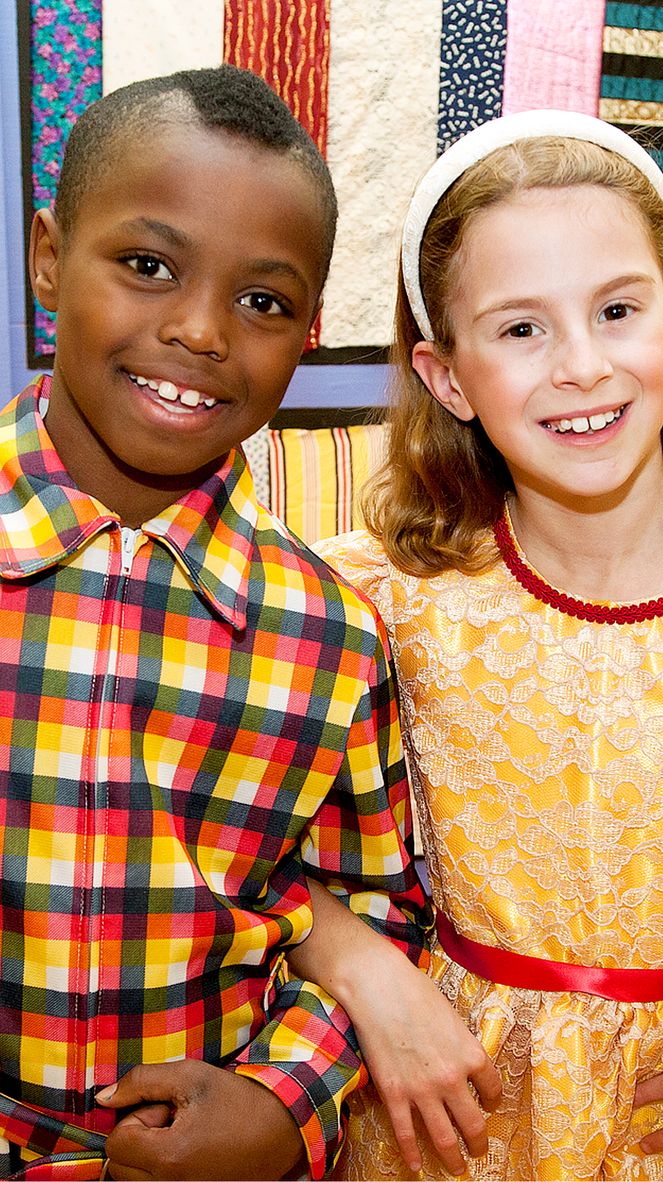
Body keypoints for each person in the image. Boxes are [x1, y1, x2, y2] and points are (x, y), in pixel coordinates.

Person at [0, 63, 438, 1182]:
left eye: (262, 302)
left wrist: (281, 1103)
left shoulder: (331, 636)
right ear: (48, 257)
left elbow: (384, 911)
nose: (198, 332)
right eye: (147, 267)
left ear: (306, 334)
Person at [309, 108, 663, 1180]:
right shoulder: (373, 595)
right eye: (518, 328)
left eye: (617, 310)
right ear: (447, 377)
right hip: (453, 1127)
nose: (581, 366)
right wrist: (359, 966)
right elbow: (220, 840)